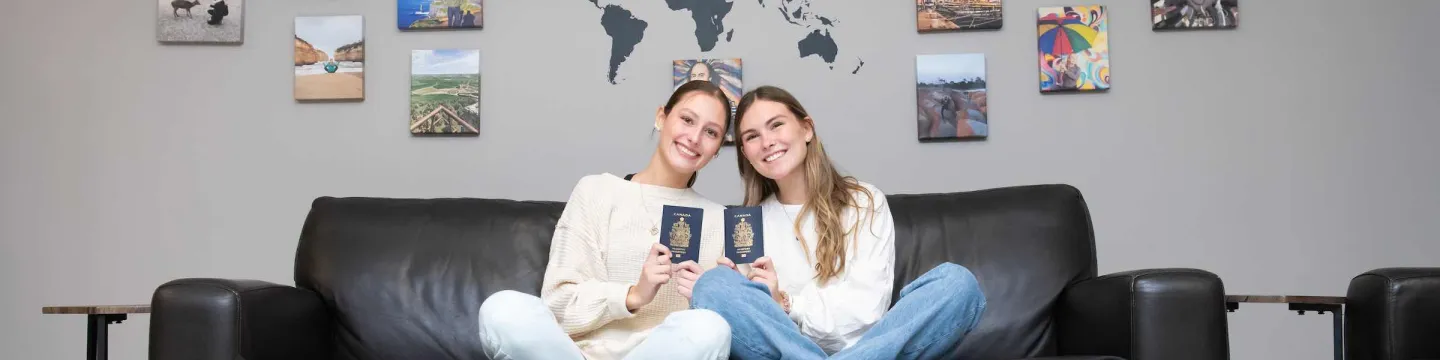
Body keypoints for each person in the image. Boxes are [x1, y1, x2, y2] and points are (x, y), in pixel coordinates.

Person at [688, 85, 987, 360]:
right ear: (746, 153)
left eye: (776, 125)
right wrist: (745, 295)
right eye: (752, 136)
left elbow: (866, 312)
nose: (767, 142)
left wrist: (787, 303)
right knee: (714, 284)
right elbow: (761, 332)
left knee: (956, 284)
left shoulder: (864, 201)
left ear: (806, 129)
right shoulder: (747, 224)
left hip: (869, 349)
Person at [477, 80, 736, 360]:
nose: (694, 138)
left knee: (711, 328)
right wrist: (633, 295)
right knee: (502, 310)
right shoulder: (596, 191)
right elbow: (559, 304)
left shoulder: (722, 221)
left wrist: (716, 294)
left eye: (711, 132)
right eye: (687, 119)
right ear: (662, 117)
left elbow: (723, 330)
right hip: (576, 355)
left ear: (717, 149)